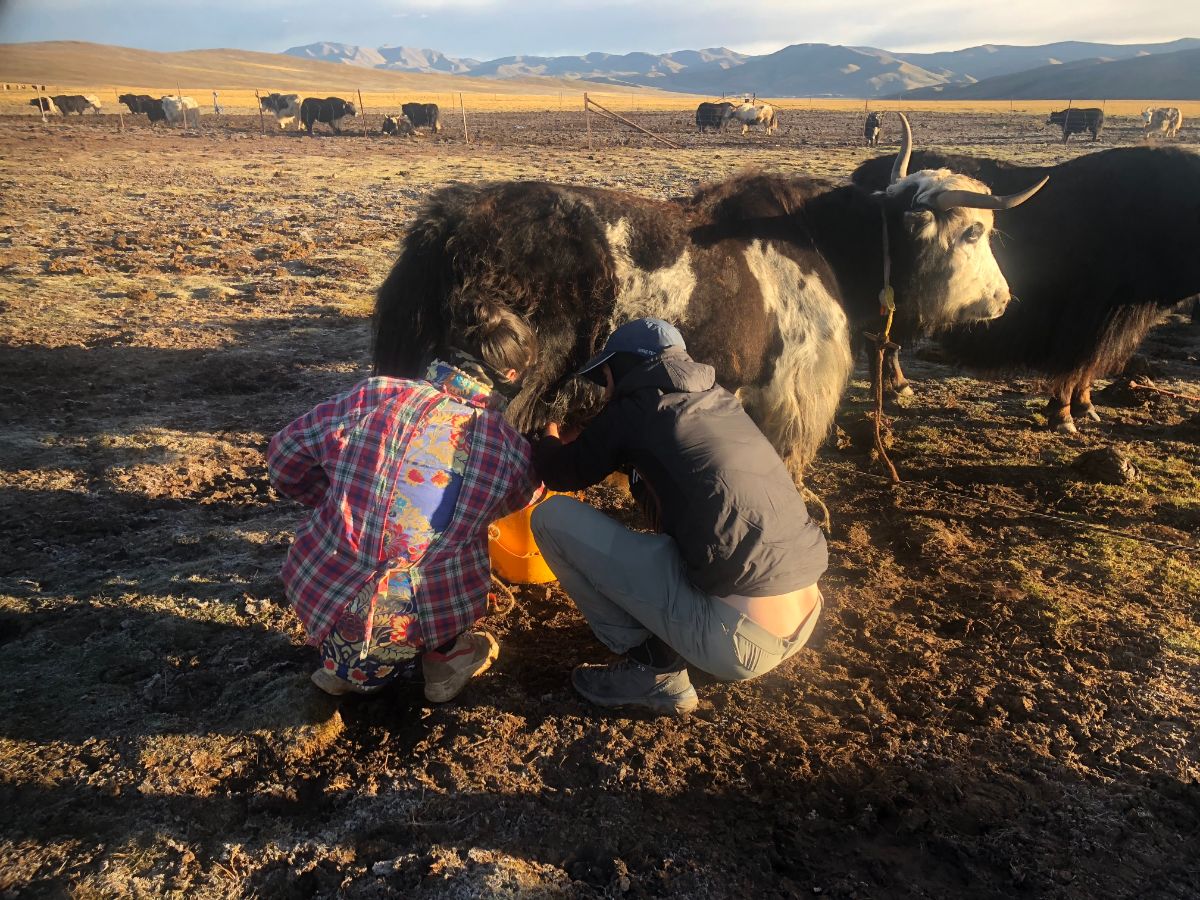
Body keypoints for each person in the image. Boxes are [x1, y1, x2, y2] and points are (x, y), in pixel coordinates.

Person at [531, 318, 828, 715]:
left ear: (623, 367)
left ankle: (653, 669)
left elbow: (560, 473)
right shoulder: (721, 402)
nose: (605, 391)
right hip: (804, 613)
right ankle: (684, 639)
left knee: (551, 518)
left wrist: (549, 437)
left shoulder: (637, 406)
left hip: (737, 644)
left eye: (605, 378)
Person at [267, 300, 541, 702]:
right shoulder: (510, 449)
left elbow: (283, 457)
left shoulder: (375, 393)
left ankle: (344, 667)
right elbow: (523, 498)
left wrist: (332, 497)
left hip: (318, 592)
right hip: (404, 626)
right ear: (512, 375)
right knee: (463, 543)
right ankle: (445, 658)